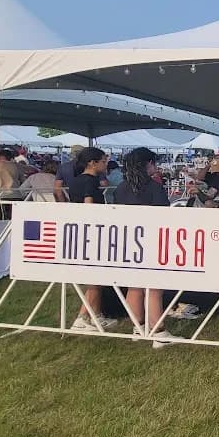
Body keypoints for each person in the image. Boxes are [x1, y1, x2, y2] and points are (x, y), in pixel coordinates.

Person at [114, 148, 178, 348]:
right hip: (150, 241)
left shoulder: (121, 188)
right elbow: (163, 215)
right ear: (148, 163)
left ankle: (138, 327)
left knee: (134, 286)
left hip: (128, 241)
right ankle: (158, 331)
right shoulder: (154, 187)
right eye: (154, 163)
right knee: (154, 287)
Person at [68, 148, 118, 332]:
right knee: (96, 277)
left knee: (96, 277)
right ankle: (83, 317)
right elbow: (89, 208)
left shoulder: (75, 181)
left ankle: (95, 315)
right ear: (92, 162)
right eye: (103, 161)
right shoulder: (90, 182)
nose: (106, 164)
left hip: (80, 231)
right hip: (92, 231)